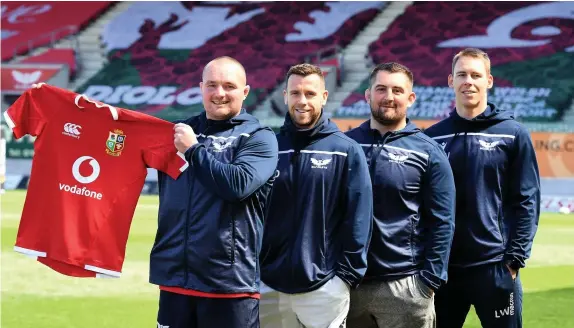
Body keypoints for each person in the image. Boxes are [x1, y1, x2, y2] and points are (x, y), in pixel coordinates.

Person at [151, 56, 279, 328]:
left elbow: (238, 185)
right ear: (201, 88)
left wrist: (194, 150)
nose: (219, 93)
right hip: (175, 281)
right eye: (212, 85)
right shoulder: (177, 132)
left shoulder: (259, 137)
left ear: (245, 92)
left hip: (230, 286)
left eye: (228, 86)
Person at [424, 48, 541, 328]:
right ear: (450, 81)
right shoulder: (432, 138)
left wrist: (514, 260)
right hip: (445, 269)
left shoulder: (512, 133)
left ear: (489, 80)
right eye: (461, 74)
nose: (469, 81)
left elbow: (527, 200)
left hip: (495, 267)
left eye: (476, 75)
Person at [259, 63, 373, 328]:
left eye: (310, 94)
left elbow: (360, 217)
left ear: (323, 96)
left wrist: (345, 277)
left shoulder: (345, 150)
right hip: (268, 285)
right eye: (295, 93)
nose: (302, 101)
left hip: (324, 288)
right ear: (285, 96)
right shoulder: (269, 148)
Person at [344, 62, 456, 328]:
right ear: (368, 94)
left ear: (411, 97)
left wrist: (428, 281)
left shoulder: (428, 151)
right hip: (349, 284)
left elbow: (443, 221)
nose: (389, 97)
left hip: (406, 286)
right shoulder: (347, 145)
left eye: (397, 90)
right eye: (381, 89)